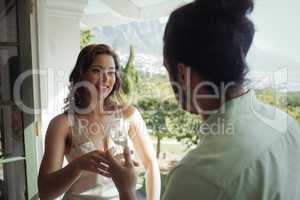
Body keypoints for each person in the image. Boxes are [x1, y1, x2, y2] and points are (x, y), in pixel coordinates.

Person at [99, 0, 300, 200]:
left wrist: (126, 189)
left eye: (167, 69)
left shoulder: (199, 177)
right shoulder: (286, 126)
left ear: (182, 74)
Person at [37, 44, 161, 200]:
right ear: (81, 74)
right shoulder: (62, 124)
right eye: (97, 70)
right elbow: (45, 192)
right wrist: (78, 165)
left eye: (111, 72)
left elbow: (151, 165)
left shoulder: (129, 115)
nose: (105, 79)